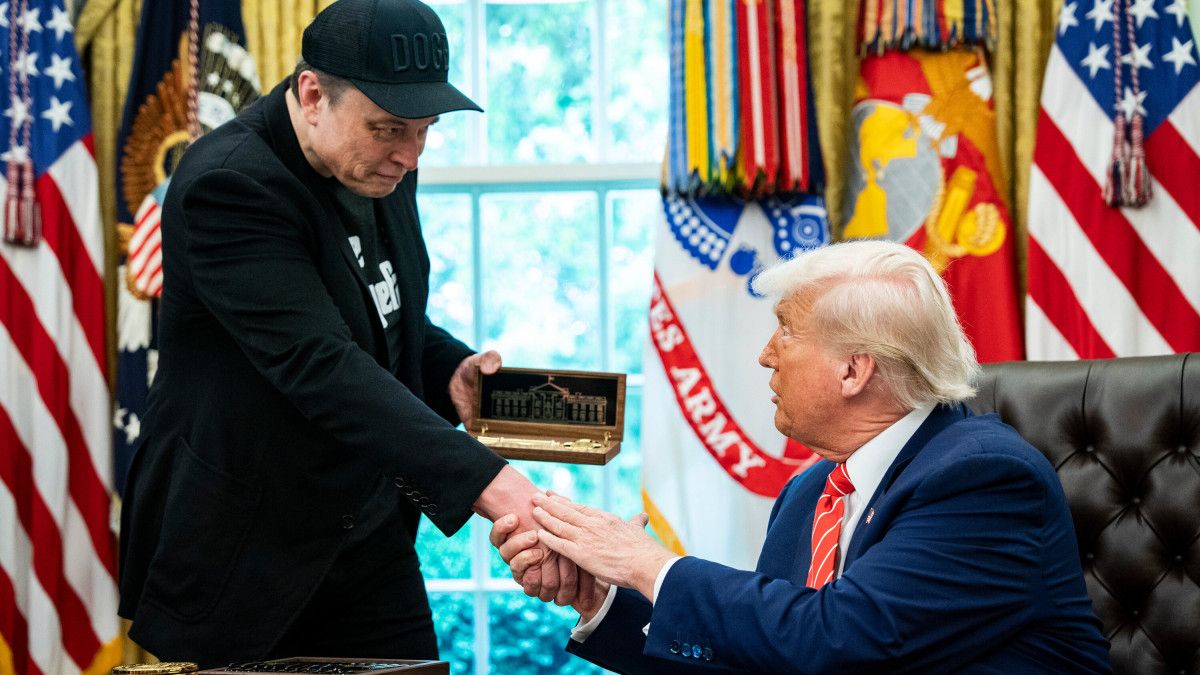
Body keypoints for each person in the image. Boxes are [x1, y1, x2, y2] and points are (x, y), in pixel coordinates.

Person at [117, 0, 587, 664]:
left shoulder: (378, 161)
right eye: (389, 129)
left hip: (367, 534)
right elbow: (319, 362)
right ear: (313, 95)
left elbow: (380, 312)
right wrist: (497, 486)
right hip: (246, 549)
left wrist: (448, 371)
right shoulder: (230, 184)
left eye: (425, 130)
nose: (410, 155)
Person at [492, 240, 1113, 673]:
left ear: (853, 370)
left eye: (786, 329)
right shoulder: (810, 493)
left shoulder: (982, 479)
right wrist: (604, 598)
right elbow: (768, 658)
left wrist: (649, 566)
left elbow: (841, 641)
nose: (765, 354)